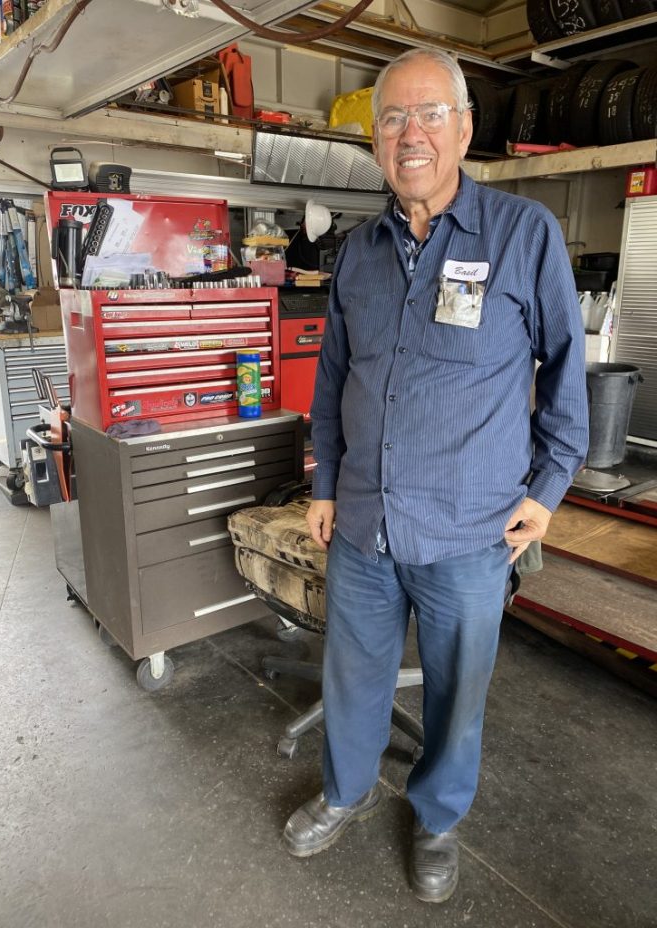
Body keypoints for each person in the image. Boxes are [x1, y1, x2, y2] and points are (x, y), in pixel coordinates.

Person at [282, 46, 589, 904]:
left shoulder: (523, 235)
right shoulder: (359, 253)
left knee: (457, 697)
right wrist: (325, 485)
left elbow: (568, 369)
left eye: (429, 115)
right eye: (392, 118)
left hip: (469, 530)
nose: (409, 133)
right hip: (365, 522)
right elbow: (334, 381)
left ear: (463, 128)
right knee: (353, 675)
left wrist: (548, 491)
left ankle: (438, 818)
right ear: (376, 141)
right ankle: (345, 790)